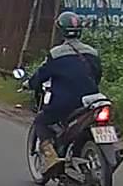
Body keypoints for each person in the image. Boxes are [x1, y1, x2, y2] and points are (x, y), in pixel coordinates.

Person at [28, 11, 102, 173]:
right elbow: (97, 76)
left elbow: (41, 75)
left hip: (66, 102)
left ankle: (50, 156)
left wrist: (30, 84)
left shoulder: (56, 54)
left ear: (60, 31)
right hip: (92, 101)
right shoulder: (93, 52)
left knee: (41, 121)